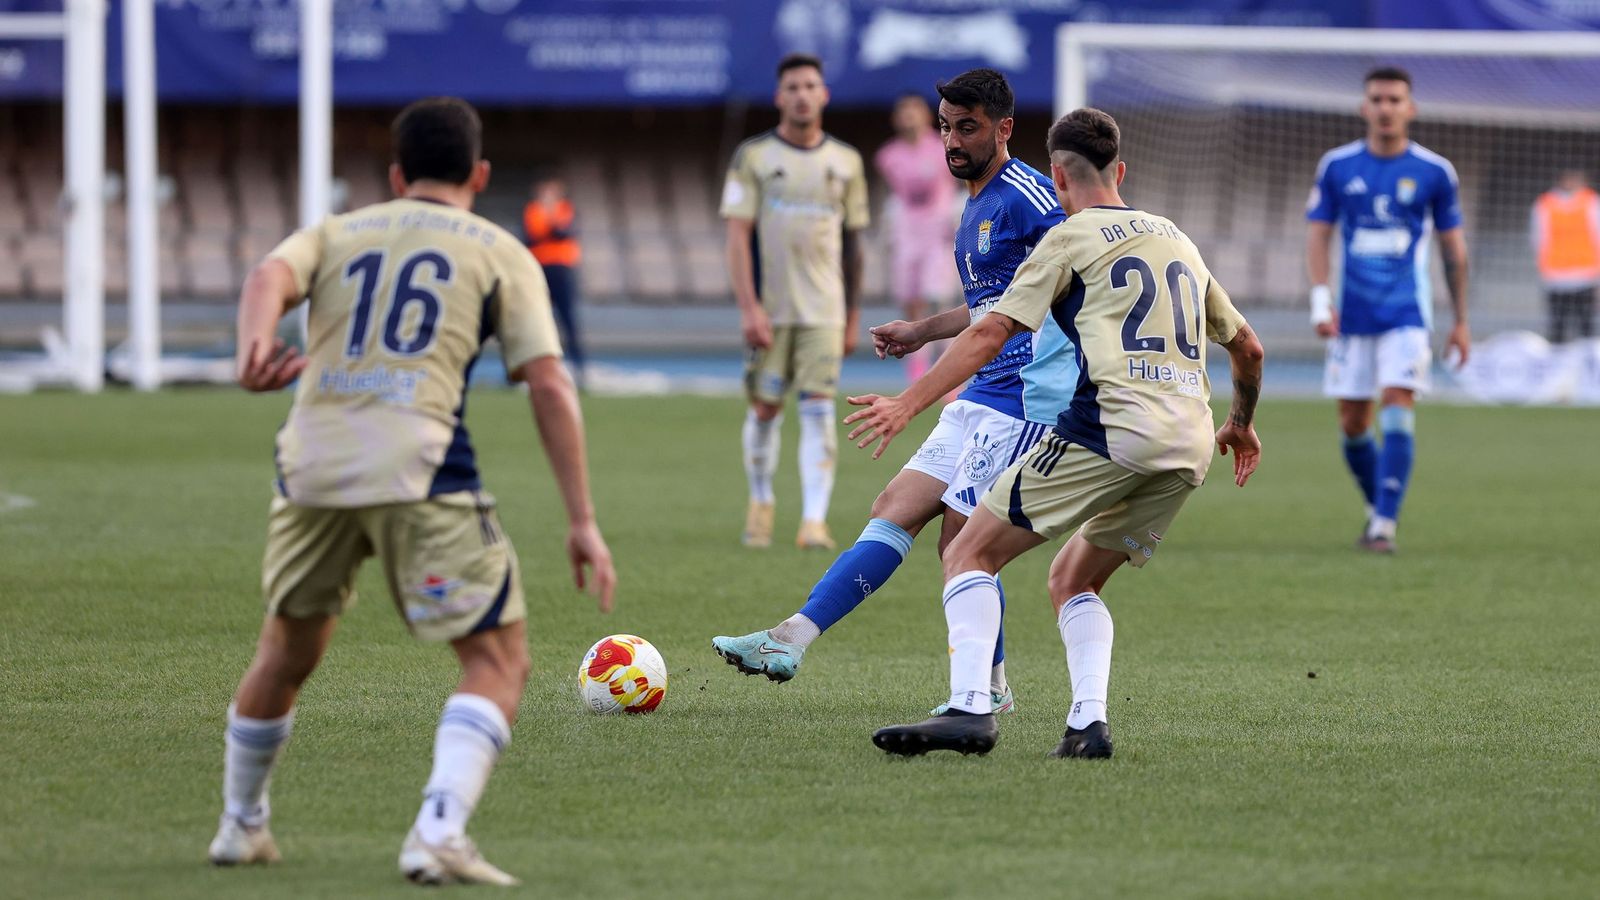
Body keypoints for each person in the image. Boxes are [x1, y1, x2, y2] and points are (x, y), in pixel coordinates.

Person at [207, 97, 617, 886]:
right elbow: (549, 385)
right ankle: (437, 828)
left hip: (311, 464)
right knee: (498, 660)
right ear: (482, 173)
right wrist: (582, 521)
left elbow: (266, 276)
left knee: (286, 652)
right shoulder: (500, 250)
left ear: (395, 174)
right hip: (419, 465)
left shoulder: (339, 229)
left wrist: (251, 351)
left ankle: (239, 826)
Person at [845, 108, 1265, 759]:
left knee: (967, 555)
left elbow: (991, 331)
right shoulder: (1177, 239)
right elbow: (1250, 348)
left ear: (1060, 180)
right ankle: (1088, 725)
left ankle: (969, 710)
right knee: (1074, 580)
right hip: (1188, 447)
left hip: (1109, 430)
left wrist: (909, 403)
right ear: (1119, 171)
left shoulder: (1070, 238)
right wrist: (1241, 422)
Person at [712, 68, 1073, 716]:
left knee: (964, 546)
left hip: (1024, 394)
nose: (952, 140)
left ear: (1005, 128)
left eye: (967, 127)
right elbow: (994, 307)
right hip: (985, 388)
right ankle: (789, 639)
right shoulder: (976, 201)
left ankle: (984, 693)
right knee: (894, 506)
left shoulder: (1032, 199)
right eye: (945, 127)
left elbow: (1050, 298)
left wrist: (909, 401)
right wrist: (923, 329)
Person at [1306, 66, 1470, 554]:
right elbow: (1318, 233)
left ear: (1410, 109)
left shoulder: (1434, 172)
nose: (1385, 108)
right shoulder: (1337, 166)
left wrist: (1460, 321)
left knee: (1398, 404)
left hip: (1406, 313)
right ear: (1364, 107)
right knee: (1353, 423)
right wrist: (1320, 298)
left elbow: (1453, 250)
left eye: (1395, 100)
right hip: (1352, 316)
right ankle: (1379, 505)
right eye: (1377, 99)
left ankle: (1383, 526)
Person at [721, 53, 870, 551]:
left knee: (818, 412)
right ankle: (760, 502)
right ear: (779, 96)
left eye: (810, 85)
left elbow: (854, 245)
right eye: (792, 87)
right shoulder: (754, 157)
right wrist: (749, 308)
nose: (802, 94)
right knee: (764, 410)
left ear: (823, 94)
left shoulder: (846, 161)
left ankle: (813, 521)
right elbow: (737, 236)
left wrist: (851, 316)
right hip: (772, 310)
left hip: (824, 312)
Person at [875, 92, 961, 383]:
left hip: (937, 234)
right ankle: (916, 369)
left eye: (914, 111)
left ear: (926, 116)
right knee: (912, 302)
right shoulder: (888, 156)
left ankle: (948, 368)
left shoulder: (942, 147)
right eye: (903, 111)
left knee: (939, 301)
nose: (909, 117)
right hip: (907, 234)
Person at [523, 172, 587, 385]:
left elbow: (563, 233)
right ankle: (528, 367)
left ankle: (579, 367)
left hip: (562, 269)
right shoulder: (532, 210)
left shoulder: (566, 209)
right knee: (535, 318)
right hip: (539, 268)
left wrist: (550, 221)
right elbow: (530, 238)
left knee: (568, 319)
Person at [1531, 169, 1600, 343]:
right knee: (1558, 325)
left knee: (1586, 325)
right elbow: (1538, 237)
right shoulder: (1545, 204)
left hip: (1585, 275)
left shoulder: (1591, 201)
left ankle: (1588, 364)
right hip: (1556, 276)